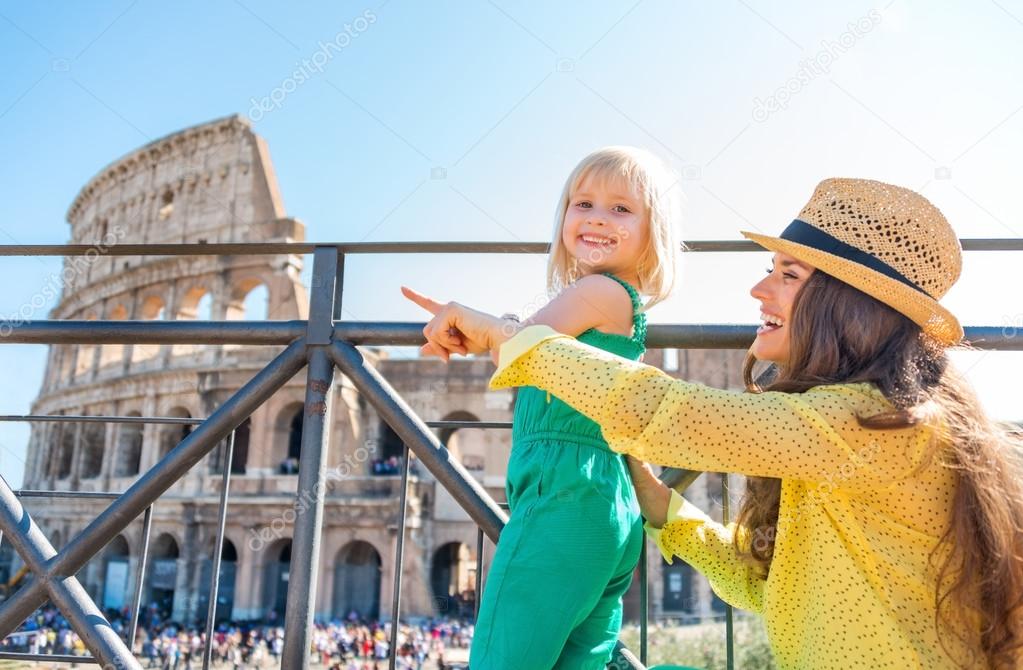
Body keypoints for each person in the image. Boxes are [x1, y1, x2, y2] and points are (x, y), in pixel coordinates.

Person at [405, 178, 1023, 669]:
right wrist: (666, 512)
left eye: (787, 275)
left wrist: (508, 337)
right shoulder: (869, 421)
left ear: (848, 305)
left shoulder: (874, 425)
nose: (759, 289)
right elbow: (767, 585)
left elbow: (666, 414)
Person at [403, 146, 681, 668]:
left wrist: (469, 321)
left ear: (652, 231)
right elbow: (523, 339)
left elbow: (515, 347)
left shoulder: (600, 290)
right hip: (602, 502)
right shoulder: (612, 301)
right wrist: (489, 331)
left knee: (502, 658)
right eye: (584, 203)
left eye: (621, 209)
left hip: (563, 497)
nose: (598, 217)